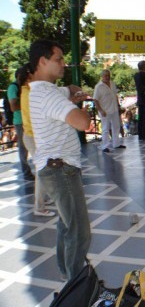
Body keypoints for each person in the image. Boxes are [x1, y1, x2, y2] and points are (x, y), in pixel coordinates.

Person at [28, 39, 91, 281]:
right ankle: (77, 284)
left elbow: (71, 89)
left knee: (67, 225)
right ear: (42, 62)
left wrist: (74, 93)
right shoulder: (47, 95)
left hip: (55, 167)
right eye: (58, 59)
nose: (64, 64)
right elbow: (83, 123)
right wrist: (80, 106)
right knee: (79, 231)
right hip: (61, 168)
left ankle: (67, 272)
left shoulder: (46, 90)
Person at [18, 64, 55, 217]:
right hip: (33, 137)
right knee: (42, 170)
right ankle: (39, 207)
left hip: (34, 136)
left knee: (44, 168)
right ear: (29, 76)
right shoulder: (29, 93)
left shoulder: (28, 92)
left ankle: (45, 198)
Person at [7, 68, 35, 181]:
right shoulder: (13, 88)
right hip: (20, 121)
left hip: (28, 120)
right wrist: (27, 106)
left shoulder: (26, 88)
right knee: (23, 148)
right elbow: (13, 106)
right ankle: (26, 173)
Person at [93, 69, 126, 153]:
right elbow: (95, 100)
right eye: (106, 76)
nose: (107, 77)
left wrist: (118, 106)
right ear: (102, 76)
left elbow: (115, 95)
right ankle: (105, 146)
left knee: (116, 126)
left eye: (108, 75)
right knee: (105, 129)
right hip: (105, 110)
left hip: (114, 109)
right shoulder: (98, 87)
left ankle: (116, 143)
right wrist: (100, 110)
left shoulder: (112, 83)